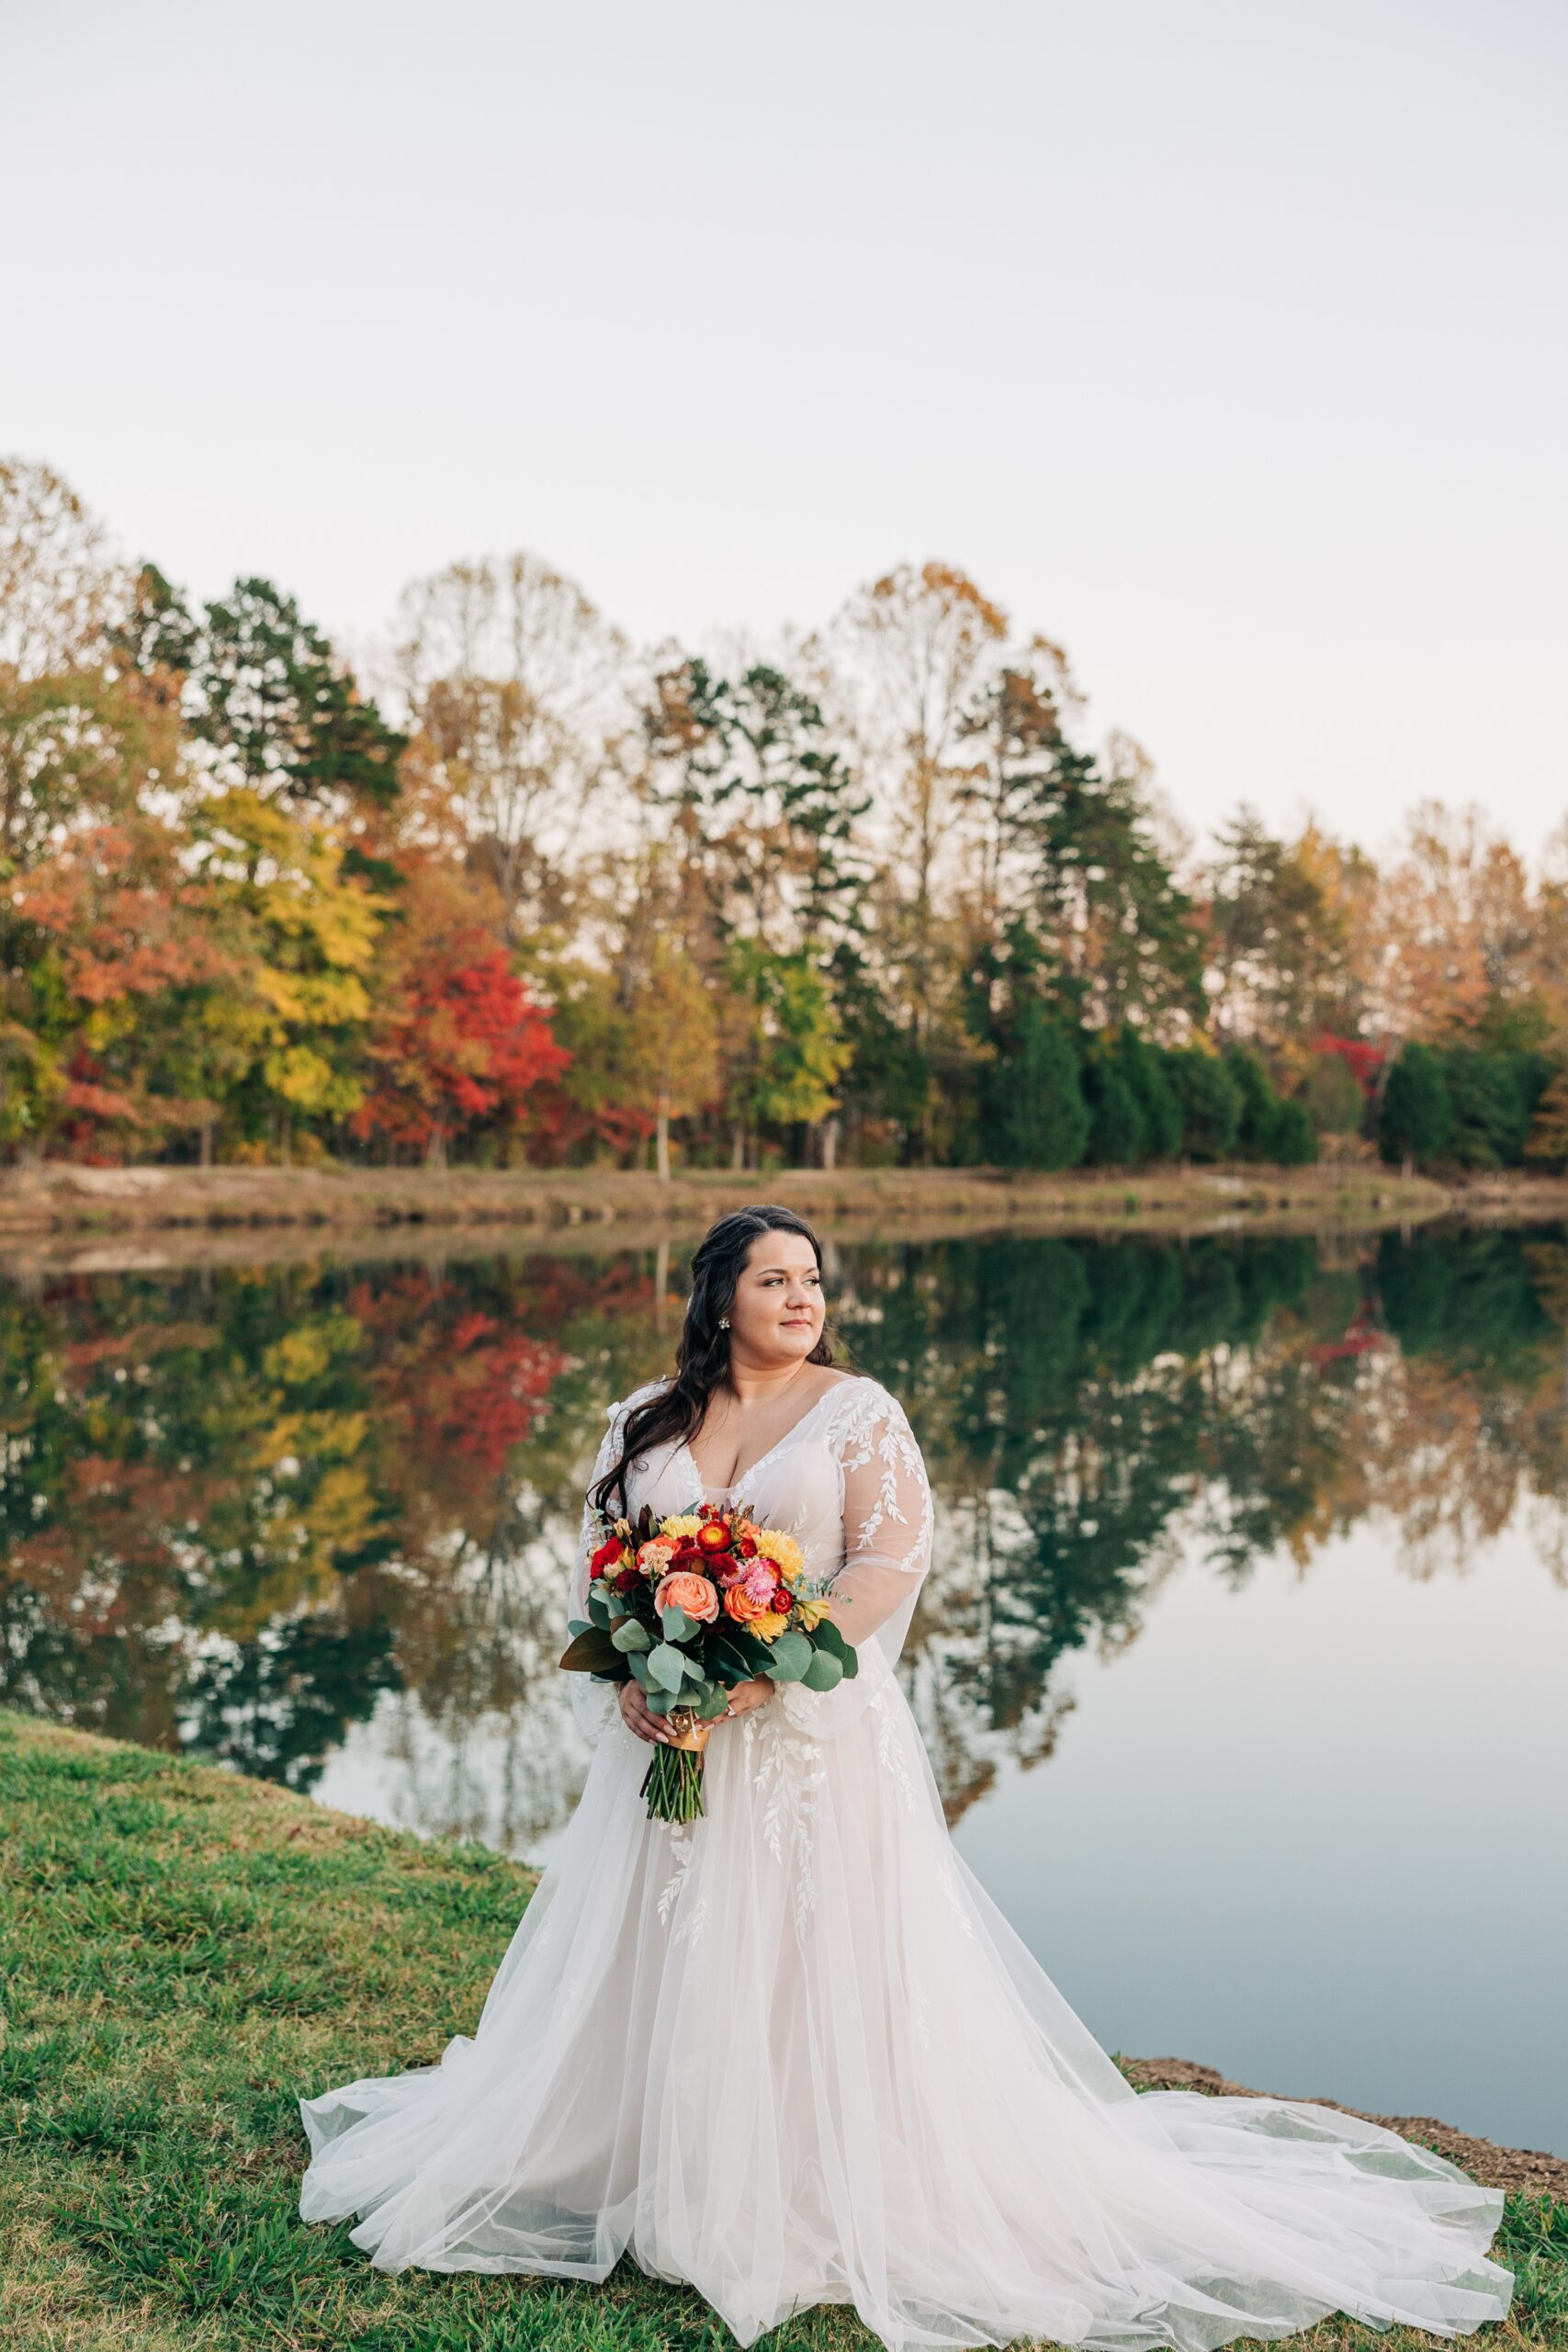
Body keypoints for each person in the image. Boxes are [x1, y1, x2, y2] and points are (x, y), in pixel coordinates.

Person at [299, 1204, 1511, 2350]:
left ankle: (802, 2183)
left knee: (803, 1951)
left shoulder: (857, 1412)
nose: (801, 1297)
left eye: (812, 1280)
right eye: (774, 1279)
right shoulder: (644, 1420)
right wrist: (635, 1667)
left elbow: (888, 1562)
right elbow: (605, 1557)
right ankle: (644, 2149)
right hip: (670, 1733)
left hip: (809, 1738)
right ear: (719, 1298)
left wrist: (768, 1670)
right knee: (663, 1936)